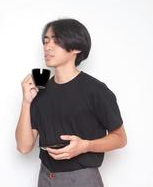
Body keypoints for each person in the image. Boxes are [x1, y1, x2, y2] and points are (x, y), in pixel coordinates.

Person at [15, 18, 127, 187]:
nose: (48, 47)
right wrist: (26, 102)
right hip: (46, 177)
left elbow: (120, 139)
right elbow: (24, 147)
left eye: (56, 41)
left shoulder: (96, 90)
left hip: (81, 179)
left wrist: (85, 146)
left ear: (76, 47)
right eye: (46, 41)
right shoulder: (40, 91)